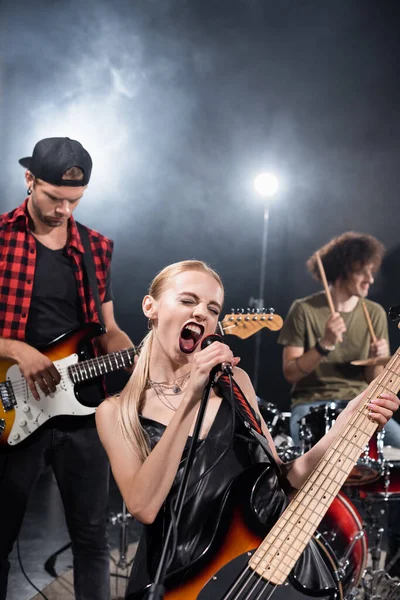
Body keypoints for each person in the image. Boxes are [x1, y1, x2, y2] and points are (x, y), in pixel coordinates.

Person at [95, 259, 399, 599]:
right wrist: (191, 399)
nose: (201, 314)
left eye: (212, 308)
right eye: (187, 300)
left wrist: (348, 420)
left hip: (262, 563)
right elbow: (144, 506)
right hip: (184, 578)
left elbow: (283, 479)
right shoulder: (117, 411)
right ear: (150, 307)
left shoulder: (235, 382)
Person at [0, 137, 134, 600]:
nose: (63, 210)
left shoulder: (95, 248)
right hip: (13, 409)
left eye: (74, 201)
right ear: (29, 180)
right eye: (53, 197)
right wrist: (17, 349)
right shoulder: (0, 239)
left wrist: (133, 349)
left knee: (91, 540)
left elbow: (108, 328)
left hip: (81, 409)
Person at [278, 231, 400, 577]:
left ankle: (394, 555)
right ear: (346, 269)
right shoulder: (304, 310)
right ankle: (303, 555)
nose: (372, 278)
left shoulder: (373, 312)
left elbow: (372, 383)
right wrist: (325, 344)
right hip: (312, 404)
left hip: (360, 403)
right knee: (312, 476)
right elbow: (290, 373)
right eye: (366, 270)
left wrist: (380, 362)